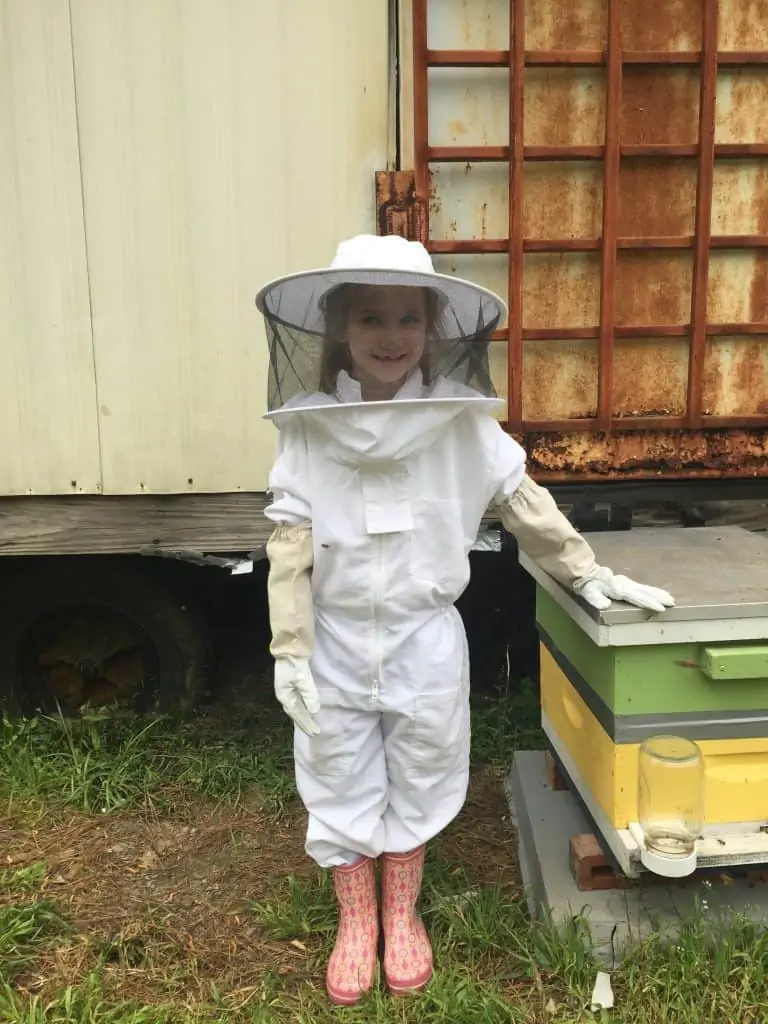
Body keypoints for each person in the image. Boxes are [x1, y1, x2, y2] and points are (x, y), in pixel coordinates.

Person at [255, 234, 674, 1005]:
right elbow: (291, 548)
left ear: (434, 331)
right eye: (372, 318)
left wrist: (589, 571)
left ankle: (401, 911)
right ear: (342, 329)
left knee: (422, 762)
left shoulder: (462, 425)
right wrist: (290, 649)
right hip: (336, 639)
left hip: (423, 638)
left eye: (407, 319)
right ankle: (358, 922)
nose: (390, 337)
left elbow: (526, 508)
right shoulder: (310, 429)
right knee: (335, 767)